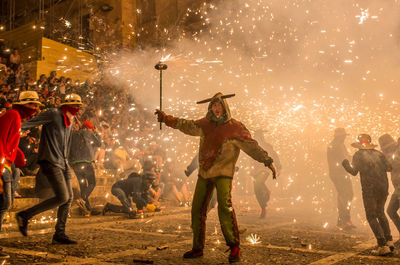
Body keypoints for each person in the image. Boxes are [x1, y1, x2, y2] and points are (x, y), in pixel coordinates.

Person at [155, 92, 276, 263]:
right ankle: (197, 248)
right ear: (210, 108)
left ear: (224, 107)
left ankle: (234, 248)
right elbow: (185, 124)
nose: (216, 108)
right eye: (213, 106)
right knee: (197, 209)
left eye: (219, 105)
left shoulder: (235, 128)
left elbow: (252, 147)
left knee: (224, 208)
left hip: (223, 174)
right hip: (205, 173)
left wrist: (267, 161)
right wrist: (166, 118)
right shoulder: (205, 124)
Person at [16, 93, 85, 245]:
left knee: (68, 198)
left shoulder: (71, 119)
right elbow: (29, 123)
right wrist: (13, 129)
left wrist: (67, 161)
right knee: (62, 197)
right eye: (76, 105)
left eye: (79, 106)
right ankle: (25, 215)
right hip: (50, 161)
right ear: (68, 105)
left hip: (63, 163)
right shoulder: (53, 113)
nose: (79, 109)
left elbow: (65, 143)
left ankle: (59, 233)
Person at [0, 91, 42, 258]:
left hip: (8, 165)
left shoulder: (16, 117)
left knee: (4, 203)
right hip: (3, 166)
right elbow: (1, 140)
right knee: (4, 203)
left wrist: (19, 156)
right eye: (32, 104)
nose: (35, 108)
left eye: (37, 105)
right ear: (22, 104)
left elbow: (10, 141)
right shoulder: (12, 115)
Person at [342, 134, 394, 256]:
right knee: (380, 213)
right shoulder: (379, 154)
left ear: (360, 144)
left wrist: (345, 164)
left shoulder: (358, 155)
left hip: (370, 189)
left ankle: (382, 245)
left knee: (371, 216)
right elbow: (389, 167)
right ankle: (389, 241)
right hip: (383, 188)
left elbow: (354, 172)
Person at [69, 120, 101, 212]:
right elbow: (99, 143)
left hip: (75, 164)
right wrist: (96, 132)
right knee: (92, 183)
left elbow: (68, 148)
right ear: (89, 128)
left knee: (83, 185)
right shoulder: (89, 132)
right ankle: (82, 199)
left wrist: (70, 162)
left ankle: (87, 208)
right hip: (86, 162)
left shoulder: (73, 134)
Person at [327, 128, 355, 230]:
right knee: (346, 195)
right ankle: (345, 220)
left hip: (340, 173)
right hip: (338, 174)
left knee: (345, 195)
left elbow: (346, 157)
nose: (344, 138)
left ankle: (342, 220)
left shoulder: (339, 145)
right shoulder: (335, 146)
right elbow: (344, 159)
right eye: (343, 136)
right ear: (339, 137)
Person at [252, 130, 282, 218]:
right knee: (256, 189)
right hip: (256, 170)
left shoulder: (267, 146)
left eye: (258, 136)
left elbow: (274, 156)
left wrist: (278, 166)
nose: (256, 138)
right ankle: (263, 207)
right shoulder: (253, 146)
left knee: (258, 183)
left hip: (265, 169)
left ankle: (265, 202)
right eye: (255, 136)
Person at [378, 134, 400, 238]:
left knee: (391, 210)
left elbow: (389, 166)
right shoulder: (394, 153)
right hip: (398, 188)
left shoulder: (396, 154)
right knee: (391, 210)